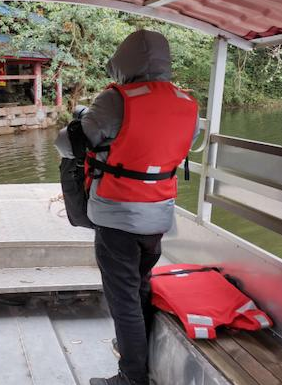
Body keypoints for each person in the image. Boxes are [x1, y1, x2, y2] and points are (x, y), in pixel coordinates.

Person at [55, 30, 200, 385]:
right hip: (159, 215)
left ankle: (131, 377)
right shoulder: (187, 103)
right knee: (140, 287)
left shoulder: (116, 100)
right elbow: (184, 141)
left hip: (117, 216)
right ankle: (135, 354)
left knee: (123, 300)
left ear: (124, 61)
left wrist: (79, 122)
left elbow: (69, 145)